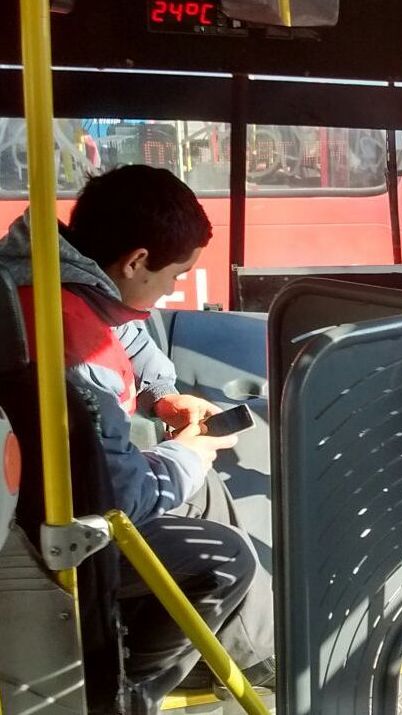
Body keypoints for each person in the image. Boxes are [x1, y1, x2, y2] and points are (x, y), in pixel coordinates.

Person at [0, 164, 274, 713]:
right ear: (137, 261)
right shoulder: (71, 345)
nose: (174, 290)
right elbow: (122, 499)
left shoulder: (53, 274)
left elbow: (123, 326)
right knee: (226, 558)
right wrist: (188, 451)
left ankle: (253, 656)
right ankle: (128, 694)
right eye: (176, 276)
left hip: (67, 479)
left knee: (206, 492)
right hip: (55, 527)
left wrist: (164, 399)